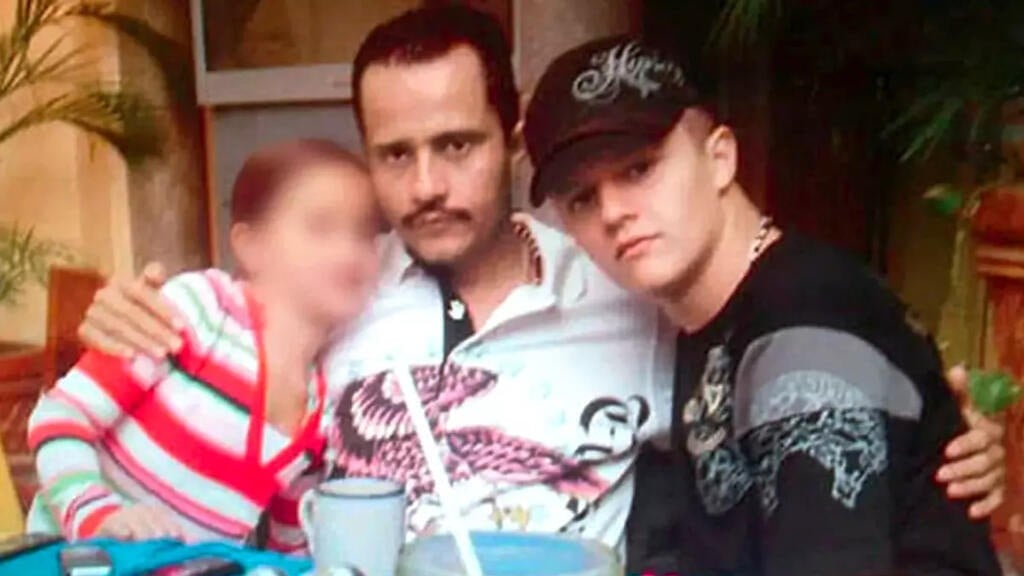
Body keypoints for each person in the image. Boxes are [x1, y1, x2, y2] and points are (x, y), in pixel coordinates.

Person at [71, 4, 1004, 563]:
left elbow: (782, 382)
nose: (427, 185)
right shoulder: (330, 294)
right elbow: (174, 410)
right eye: (395, 154)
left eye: (457, 146)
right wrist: (128, 324)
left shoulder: (626, 290)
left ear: (510, 143)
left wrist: (938, 441)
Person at [523, 36, 1003, 575]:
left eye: (639, 169)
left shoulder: (804, 324)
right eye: (583, 198)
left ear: (720, 158)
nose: (613, 211)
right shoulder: (717, 317)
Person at [26, 139, 380, 553]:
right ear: (250, 245)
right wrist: (98, 515)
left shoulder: (321, 410)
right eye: (321, 227)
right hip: (68, 558)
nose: (349, 251)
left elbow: (288, 547)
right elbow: (59, 417)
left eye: (365, 234)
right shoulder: (199, 309)